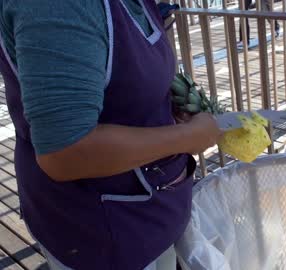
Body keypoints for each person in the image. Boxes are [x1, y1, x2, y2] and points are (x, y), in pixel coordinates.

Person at [0, 0, 222, 269]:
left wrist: (166, 108)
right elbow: (66, 151)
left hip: (150, 212)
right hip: (102, 230)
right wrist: (189, 137)